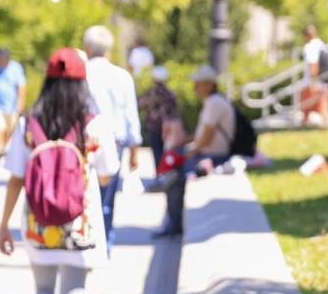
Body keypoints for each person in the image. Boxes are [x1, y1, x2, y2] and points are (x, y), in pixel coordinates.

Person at [0, 48, 120, 294]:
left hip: (38, 223)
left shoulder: (29, 122)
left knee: (43, 293)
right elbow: (110, 173)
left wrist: (4, 224)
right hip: (80, 224)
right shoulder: (92, 121)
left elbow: (16, 178)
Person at [153, 65, 233, 238]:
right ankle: (173, 222)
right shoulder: (213, 101)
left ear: (209, 85)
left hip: (212, 156)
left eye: (198, 83)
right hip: (208, 153)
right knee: (172, 170)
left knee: (173, 178)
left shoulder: (213, 103)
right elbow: (202, 135)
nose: (195, 87)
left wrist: (188, 152)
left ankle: (173, 225)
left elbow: (206, 137)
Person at [83, 25, 142, 253]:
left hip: (87, 142)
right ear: (108, 51)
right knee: (107, 198)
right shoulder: (122, 76)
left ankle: (88, 240)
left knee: (86, 192)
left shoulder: (82, 73)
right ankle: (104, 243)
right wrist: (135, 150)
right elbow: (131, 115)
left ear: (87, 48)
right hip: (114, 143)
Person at [0, 48, 27, 161]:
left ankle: (4, 147)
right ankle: (0, 149)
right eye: (1, 57)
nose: (3, 60)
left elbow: (21, 87)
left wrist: (21, 104)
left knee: (9, 129)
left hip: (12, 106)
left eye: (5, 57)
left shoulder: (15, 68)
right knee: (0, 126)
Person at [138, 65, 178, 172]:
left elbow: (140, 103)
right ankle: (168, 172)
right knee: (168, 151)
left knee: (157, 151)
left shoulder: (151, 92)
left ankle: (160, 173)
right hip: (169, 126)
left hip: (155, 126)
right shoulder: (169, 93)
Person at [300, 24, 328, 126]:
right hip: (324, 80)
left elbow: (313, 64)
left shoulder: (310, 46)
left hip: (314, 81)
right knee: (322, 104)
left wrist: (313, 82)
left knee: (308, 104)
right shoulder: (323, 45)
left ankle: (306, 123)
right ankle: (323, 123)